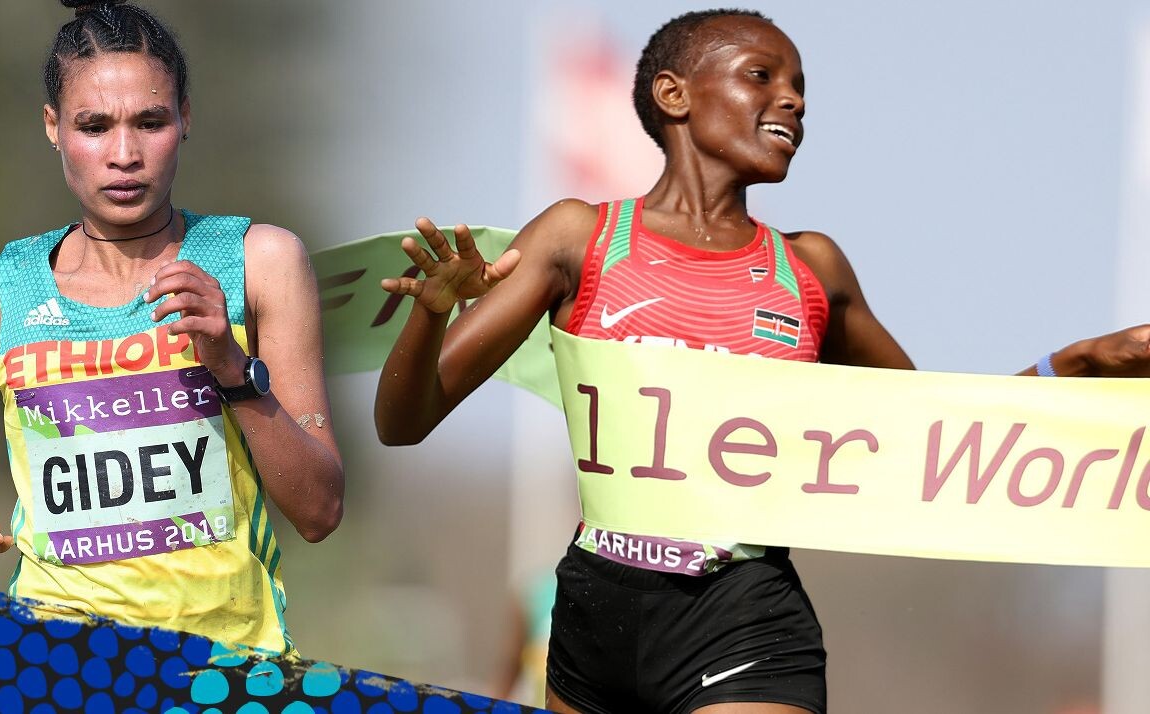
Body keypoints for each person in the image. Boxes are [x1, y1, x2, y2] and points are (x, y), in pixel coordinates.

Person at [373, 9, 1150, 713]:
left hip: (743, 612)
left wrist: (1071, 366)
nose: (793, 101)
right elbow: (401, 423)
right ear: (675, 95)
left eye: (800, 87)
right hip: (595, 616)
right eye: (762, 76)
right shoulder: (580, 237)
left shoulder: (812, 269)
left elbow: (932, 447)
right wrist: (432, 314)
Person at [0, 0, 343, 654]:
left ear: (185, 118)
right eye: (93, 126)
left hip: (223, 667)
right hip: (51, 659)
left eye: (150, 121)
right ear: (53, 127)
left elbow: (319, 511)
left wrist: (230, 368)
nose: (124, 154)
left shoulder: (258, 262)